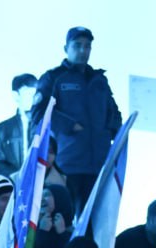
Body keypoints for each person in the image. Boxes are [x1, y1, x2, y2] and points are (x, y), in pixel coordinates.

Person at [30, 28, 121, 207]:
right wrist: (69, 125)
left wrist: (112, 133)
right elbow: (39, 114)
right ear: (66, 48)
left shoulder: (99, 80)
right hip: (66, 163)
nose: (82, 50)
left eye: (87, 46)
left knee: (93, 220)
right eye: (77, 45)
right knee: (64, 215)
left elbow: (113, 113)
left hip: (99, 164)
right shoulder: (54, 78)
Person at [0, 73, 38, 178]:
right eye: (28, 93)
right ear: (16, 95)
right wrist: (16, 176)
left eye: (35, 93)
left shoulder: (44, 125)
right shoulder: (2, 129)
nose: (33, 98)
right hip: (14, 183)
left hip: (42, 183)